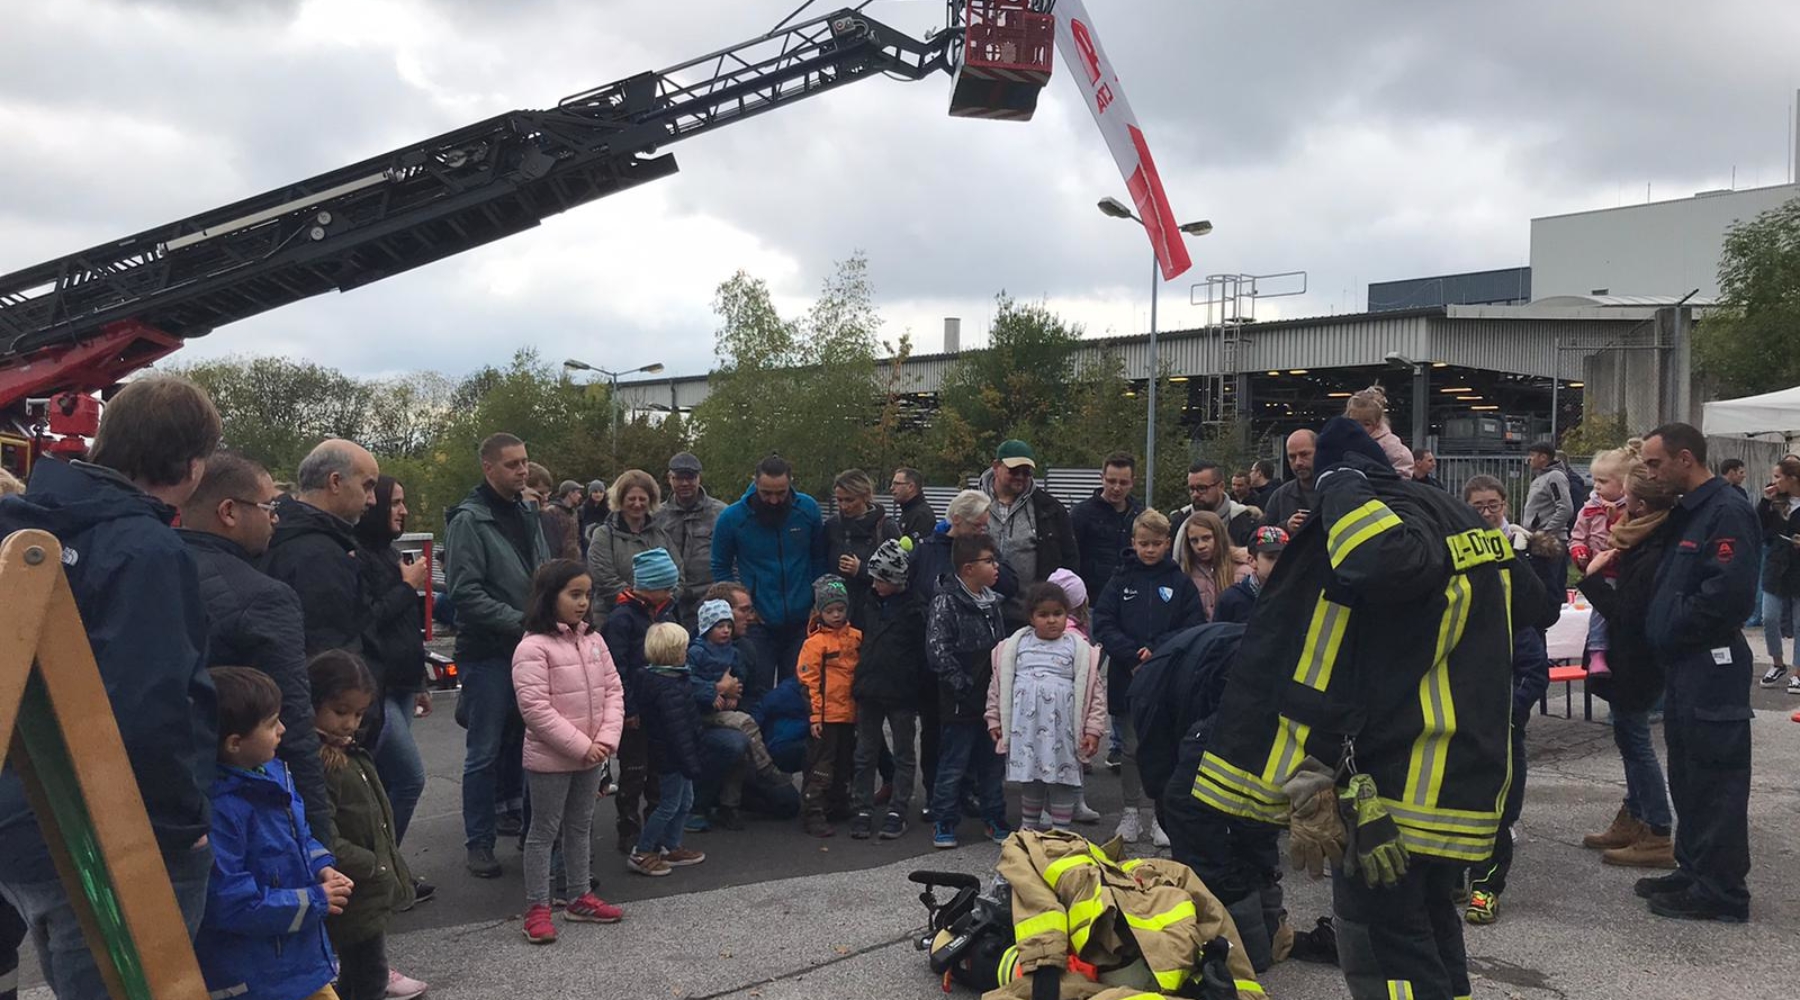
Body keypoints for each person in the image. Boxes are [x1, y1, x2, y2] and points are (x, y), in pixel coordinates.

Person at [1193, 416, 1541, 1000]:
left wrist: (1341, 485)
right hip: (1463, 774)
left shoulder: (1381, 532)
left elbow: (1368, 582)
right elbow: (1537, 601)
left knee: (1382, 943)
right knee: (1430, 925)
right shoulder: (1454, 517)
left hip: (1397, 786)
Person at [0, 375, 222, 1000]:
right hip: (107, 830)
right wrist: (184, 826)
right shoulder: (145, 549)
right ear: (192, 464)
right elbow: (150, 706)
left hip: (18, 813)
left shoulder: (22, 528)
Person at [1626, 423, 1759, 922]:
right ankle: (1696, 868)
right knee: (1687, 773)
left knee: (1716, 779)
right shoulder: (1688, 513)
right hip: (1684, 663)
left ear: (1686, 459)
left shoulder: (1725, 512)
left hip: (1710, 664)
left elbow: (1727, 596)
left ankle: (1722, 891)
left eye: (1657, 463)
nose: (1651, 472)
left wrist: (1674, 625)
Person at [178, 453, 331, 842]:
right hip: (247, 811)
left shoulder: (154, 568)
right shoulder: (264, 597)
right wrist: (318, 837)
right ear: (229, 511)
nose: (275, 519)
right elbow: (293, 722)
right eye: (269, 507)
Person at [195, 667, 349, 1000]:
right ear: (235, 743)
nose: (282, 730)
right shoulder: (220, 809)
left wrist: (323, 865)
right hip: (257, 980)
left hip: (299, 967)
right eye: (271, 723)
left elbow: (299, 835)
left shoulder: (273, 774)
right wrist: (318, 899)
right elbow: (233, 904)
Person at [445, 432, 551, 878]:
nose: (522, 471)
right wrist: (520, 620)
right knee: (484, 751)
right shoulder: (469, 521)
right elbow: (463, 592)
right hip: (489, 652)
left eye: (525, 462)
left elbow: (543, 575)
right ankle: (479, 843)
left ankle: (535, 839)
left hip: (533, 648)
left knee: (536, 746)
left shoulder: (529, 513)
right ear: (488, 468)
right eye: (512, 464)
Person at [512, 559, 627, 942]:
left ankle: (579, 895)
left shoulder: (593, 640)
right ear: (549, 597)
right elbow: (535, 709)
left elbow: (613, 689)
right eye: (573, 594)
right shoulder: (533, 647)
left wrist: (605, 742)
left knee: (580, 825)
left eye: (587, 595)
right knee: (543, 831)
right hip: (552, 758)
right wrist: (583, 746)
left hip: (592, 754)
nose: (582, 603)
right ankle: (537, 907)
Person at [1574, 462, 1677, 870]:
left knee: (1635, 741)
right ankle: (1635, 814)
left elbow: (1628, 614)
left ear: (1637, 502)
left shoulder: (1652, 548)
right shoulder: (1642, 540)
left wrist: (1594, 579)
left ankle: (1655, 827)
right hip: (1631, 656)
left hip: (1638, 659)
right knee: (1627, 737)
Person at [311, 651, 424, 1000]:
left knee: (360, 975)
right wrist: (374, 864)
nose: (349, 723)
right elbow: (325, 834)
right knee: (369, 977)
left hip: (365, 890)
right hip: (352, 890)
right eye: (340, 712)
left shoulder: (352, 752)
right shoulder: (319, 763)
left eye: (358, 714)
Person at [1093, 509, 1204, 847]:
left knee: (1165, 747)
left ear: (1167, 543)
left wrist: (1156, 651)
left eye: (1156, 544)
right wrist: (1131, 654)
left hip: (1167, 677)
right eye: (1144, 544)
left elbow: (1192, 625)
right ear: (1133, 543)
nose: (1150, 550)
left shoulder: (1179, 582)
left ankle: (1160, 815)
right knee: (1131, 747)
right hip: (1129, 677)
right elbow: (1104, 623)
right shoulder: (1120, 580)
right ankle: (1130, 812)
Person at [352, 476, 432, 855]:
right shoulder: (358, 556)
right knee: (409, 778)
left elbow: (405, 629)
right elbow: (368, 620)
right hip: (377, 685)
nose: (403, 511)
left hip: (401, 682)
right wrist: (406, 588)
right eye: (394, 503)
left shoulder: (388, 552)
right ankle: (385, 866)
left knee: (385, 782)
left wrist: (420, 681)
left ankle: (385, 869)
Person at [986, 582, 1107, 832]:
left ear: (1067, 614)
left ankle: (1061, 833)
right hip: (1026, 729)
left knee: (1062, 778)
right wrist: (994, 719)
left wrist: (1093, 730)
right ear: (1031, 617)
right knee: (1031, 779)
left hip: (1063, 731)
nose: (1051, 620)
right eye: (1043, 615)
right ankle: (1028, 830)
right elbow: (998, 685)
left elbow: (1094, 693)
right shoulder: (1014, 646)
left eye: (1058, 614)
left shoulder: (1078, 648)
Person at [1464, 611, 1555, 925]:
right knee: (1452, 805)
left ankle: (1485, 887)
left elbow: (1535, 670)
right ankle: (1448, 880)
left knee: (1497, 813)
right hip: (1453, 730)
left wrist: (1511, 714)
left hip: (1500, 734)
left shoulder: (1511, 615)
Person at [927, 534, 1012, 849]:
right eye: (989, 561)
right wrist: (961, 685)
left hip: (991, 699)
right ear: (968, 568)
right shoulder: (946, 601)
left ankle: (994, 817)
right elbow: (938, 651)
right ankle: (944, 819)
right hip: (961, 700)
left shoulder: (992, 603)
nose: (995, 567)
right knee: (954, 762)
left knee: (992, 763)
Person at [711, 454, 827, 678]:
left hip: (802, 622)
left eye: (781, 493)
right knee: (758, 692)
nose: (774, 500)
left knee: (796, 692)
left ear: (790, 483)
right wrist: (740, 607)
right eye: (766, 493)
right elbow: (720, 567)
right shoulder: (732, 518)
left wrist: (817, 600)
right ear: (755, 484)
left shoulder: (808, 510)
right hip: (757, 624)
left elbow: (819, 558)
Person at [262, 439, 379, 657]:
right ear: (335, 482)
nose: (372, 500)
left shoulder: (281, 533)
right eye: (368, 486)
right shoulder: (320, 556)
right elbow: (330, 653)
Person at [603, 548, 682, 853]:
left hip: (661, 708)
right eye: (666, 587)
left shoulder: (666, 611)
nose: (671, 593)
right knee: (634, 773)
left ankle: (655, 829)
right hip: (635, 709)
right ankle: (629, 830)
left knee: (658, 774)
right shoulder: (621, 619)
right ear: (650, 586)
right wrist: (628, 708)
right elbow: (616, 667)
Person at [684, 598, 788, 829]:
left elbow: (740, 679)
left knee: (740, 757)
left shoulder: (735, 650)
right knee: (744, 725)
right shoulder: (696, 650)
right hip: (703, 714)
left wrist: (733, 692)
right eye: (719, 626)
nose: (725, 631)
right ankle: (766, 768)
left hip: (725, 708)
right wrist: (714, 690)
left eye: (728, 626)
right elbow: (687, 681)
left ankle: (729, 806)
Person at [849, 539, 924, 840]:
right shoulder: (866, 603)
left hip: (901, 692)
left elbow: (921, 654)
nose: (876, 583)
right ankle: (862, 807)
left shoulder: (916, 610)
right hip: (868, 689)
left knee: (904, 751)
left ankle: (898, 808)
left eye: (882, 579)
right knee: (865, 752)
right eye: (875, 577)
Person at [628, 623, 708, 877]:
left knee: (685, 801)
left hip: (677, 755)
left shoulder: (671, 678)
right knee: (669, 805)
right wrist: (692, 762)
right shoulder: (668, 687)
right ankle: (642, 850)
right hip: (672, 758)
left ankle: (671, 846)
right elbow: (678, 732)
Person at [980, 439, 1078, 628]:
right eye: (1014, 471)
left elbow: (1070, 559)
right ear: (996, 466)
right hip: (980, 615)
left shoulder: (1050, 509)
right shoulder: (972, 503)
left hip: (1029, 618)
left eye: (1026, 472)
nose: (1020, 477)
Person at [797, 576, 862, 837]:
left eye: (840, 609)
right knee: (821, 764)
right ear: (819, 612)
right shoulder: (815, 644)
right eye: (830, 610)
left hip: (849, 713)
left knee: (846, 761)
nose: (836, 615)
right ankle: (813, 810)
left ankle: (838, 802)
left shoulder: (856, 637)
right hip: (826, 715)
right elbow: (808, 681)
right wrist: (814, 716)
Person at [1568, 445, 1633, 679]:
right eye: (1594, 480)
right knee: (1599, 611)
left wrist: (1614, 518)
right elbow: (1577, 535)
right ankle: (1597, 650)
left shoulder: (1632, 508)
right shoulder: (1588, 509)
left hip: (1624, 569)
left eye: (1603, 481)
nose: (1596, 486)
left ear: (1624, 483)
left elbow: (1630, 533)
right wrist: (1579, 552)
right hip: (1600, 570)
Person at [656, 452, 727, 631]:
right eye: (679, 478)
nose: (685, 483)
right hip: (668, 599)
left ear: (699, 478)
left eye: (691, 477)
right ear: (670, 478)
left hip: (709, 597)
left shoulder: (720, 513)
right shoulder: (656, 516)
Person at [823, 468, 900, 629]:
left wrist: (862, 570)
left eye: (849, 500)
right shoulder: (832, 527)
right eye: (839, 500)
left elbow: (899, 576)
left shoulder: (885, 527)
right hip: (838, 616)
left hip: (874, 616)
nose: (844, 506)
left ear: (865, 496)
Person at [587, 469, 671, 609]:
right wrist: (642, 601)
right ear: (620, 499)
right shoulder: (603, 535)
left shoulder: (660, 535)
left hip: (658, 617)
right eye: (631, 499)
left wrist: (663, 601)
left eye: (642, 499)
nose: (637, 504)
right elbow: (604, 579)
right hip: (614, 616)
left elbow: (678, 575)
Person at [1070, 452, 1144, 602]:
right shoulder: (1081, 514)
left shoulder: (1141, 515)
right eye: (1111, 481)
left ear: (1132, 482)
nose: (1116, 488)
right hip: (1091, 599)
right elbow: (1070, 558)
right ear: (1101, 478)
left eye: (1123, 483)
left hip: (1131, 598)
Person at [1754, 456, 1800, 691]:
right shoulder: (1775, 502)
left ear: (1792, 478)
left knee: (1799, 621)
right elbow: (1758, 527)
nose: (1774, 482)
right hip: (1776, 565)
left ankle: (1798, 671)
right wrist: (1765, 500)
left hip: (1798, 569)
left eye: (1778, 477)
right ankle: (1777, 662)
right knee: (1769, 617)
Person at [1176, 508, 1250, 620]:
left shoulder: (1243, 571)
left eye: (1206, 538)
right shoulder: (1186, 572)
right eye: (1194, 541)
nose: (1200, 546)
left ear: (1219, 536)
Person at [1173, 460, 1259, 548]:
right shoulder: (1179, 521)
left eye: (1202, 488)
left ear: (1221, 487)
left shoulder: (1245, 522)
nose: (1195, 494)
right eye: (1191, 489)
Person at [1214, 526, 1288, 625]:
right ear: (1252, 560)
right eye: (1270, 557)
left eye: (1283, 557)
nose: (1278, 563)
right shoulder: (1230, 599)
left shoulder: (1295, 595)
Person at [1259, 429, 1318, 537]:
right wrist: (1285, 527)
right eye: (1292, 457)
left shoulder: (1336, 493)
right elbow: (1259, 537)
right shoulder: (1280, 496)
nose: (1298, 462)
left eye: (1304, 454)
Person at [1345, 386, 1413, 477]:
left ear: (1377, 423)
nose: (1359, 427)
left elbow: (1404, 462)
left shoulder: (1389, 443)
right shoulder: (1342, 439)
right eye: (1354, 422)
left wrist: (1394, 483)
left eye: (1367, 424)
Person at [540, 479, 584, 562]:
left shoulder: (574, 512)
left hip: (574, 561)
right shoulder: (551, 512)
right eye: (578, 492)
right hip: (559, 563)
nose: (580, 496)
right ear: (570, 493)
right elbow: (551, 542)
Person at [890, 466, 937, 542]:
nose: (891, 488)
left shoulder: (922, 516)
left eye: (897, 484)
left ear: (911, 487)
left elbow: (917, 551)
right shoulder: (908, 511)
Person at [578, 479, 609, 553]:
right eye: (595, 492)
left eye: (601, 492)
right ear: (590, 493)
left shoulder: (609, 510)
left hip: (604, 546)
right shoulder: (583, 509)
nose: (598, 494)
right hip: (586, 547)